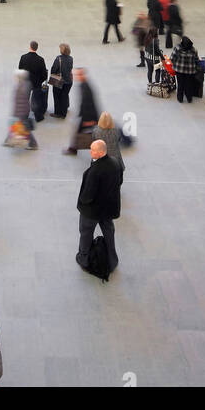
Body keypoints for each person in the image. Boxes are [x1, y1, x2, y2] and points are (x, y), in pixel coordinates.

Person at [75, 140, 122, 273]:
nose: (90, 152)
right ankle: (112, 259)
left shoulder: (95, 171)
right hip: (108, 208)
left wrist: (82, 202)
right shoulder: (115, 162)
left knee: (86, 232)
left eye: (93, 150)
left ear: (101, 152)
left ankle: (83, 258)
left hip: (92, 211)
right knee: (108, 231)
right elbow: (120, 181)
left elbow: (88, 195)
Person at [65, 67, 99, 155]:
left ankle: (73, 149)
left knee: (80, 132)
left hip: (88, 116)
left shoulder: (85, 87)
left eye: (79, 74)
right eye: (76, 74)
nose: (77, 77)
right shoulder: (83, 85)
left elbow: (89, 104)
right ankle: (73, 149)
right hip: (86, 116)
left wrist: (89, 120)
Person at [18, 40, 48, 122]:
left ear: (30, 47)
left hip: (25, 83)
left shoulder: (23, 57)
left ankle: (24, 117)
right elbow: (44, 74)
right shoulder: (40, 59)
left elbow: (20, 70)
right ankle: (38, 117)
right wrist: (39, 81)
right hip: (36, 84)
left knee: (25, 100)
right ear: (37, 48)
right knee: (37, 101)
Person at [96, 111, 126, 180]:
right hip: (116, 159)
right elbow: (119, 140)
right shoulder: (117, 131)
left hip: (101, 159)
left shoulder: (96, 131)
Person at [171, 36, 201, 103]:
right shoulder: (194, 50)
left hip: (179, 70)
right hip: (190, 71)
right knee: (189, 84)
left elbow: (172, 58)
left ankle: (180, 98)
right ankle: (189, 98)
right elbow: (196, 60)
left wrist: (175, 64)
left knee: (180, 84)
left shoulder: (177, 48)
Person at [50, 43, 73, 118]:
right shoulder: (71, 58)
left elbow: (53, 69)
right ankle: (64, 113)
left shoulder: (58, 58)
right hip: (69, 81)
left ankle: (57, 113)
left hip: (59, 81)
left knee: (57, 97)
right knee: (64, 96)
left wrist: (53, 74)